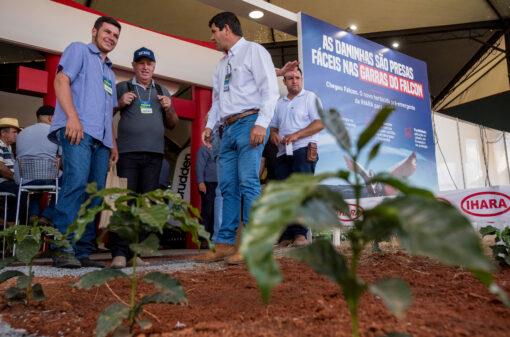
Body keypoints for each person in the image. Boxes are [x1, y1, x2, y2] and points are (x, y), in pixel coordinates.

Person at [196, 12, 280, 264]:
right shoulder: (221, 65)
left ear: (226, 29)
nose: (212, 37)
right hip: (226, 128)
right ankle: (225, 244)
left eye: (213, 31)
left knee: (248, 183)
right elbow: (218, 101)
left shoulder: (254, 51)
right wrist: (210, 125)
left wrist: (262, 124)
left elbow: (270, 90)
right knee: (227, 188)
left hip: (249, 123)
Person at [48, 16, 122, 269]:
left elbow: (108, 112)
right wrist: (72, 118)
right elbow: (61, 81)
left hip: (101, 140)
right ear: (94, 31)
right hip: (77, 131)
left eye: (115, 35)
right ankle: (62, 245)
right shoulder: (78, 49)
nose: (111, 37)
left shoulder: (110, 73)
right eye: (107, 32)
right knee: (75, 184)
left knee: (95, 195)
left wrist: (112, 142)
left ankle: (81, 249)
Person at [109, 47, 178, 268]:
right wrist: (119, 104)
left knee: (144, 204)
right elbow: (104, 114)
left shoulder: (162, 91)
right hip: (128, 154)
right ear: (134, 66)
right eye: (141, 63)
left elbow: (173, 124)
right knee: (125, 202)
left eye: (149, 63)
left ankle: (133, 252)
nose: (145, 67)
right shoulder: (123, 87)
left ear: (154, 66)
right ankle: (119, 253)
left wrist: (168, 109)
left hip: (155, 155)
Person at [269, 67, 324, 247]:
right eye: (290, 78)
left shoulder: (310, 98)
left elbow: (320, 123)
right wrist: (273, 135)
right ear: (283, 81)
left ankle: (300, 234)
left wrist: (297, 135)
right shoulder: (279, 102)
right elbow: (274, 127)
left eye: (298, 77)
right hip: (283, 152)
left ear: (302, 79)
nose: (294, 81)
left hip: (304, 148)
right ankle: (287, 235)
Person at [15, 105, 60, 223]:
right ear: (51, 118)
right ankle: (47, 216)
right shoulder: (55, 132)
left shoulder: (21, 133)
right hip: (47, 177)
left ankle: (33, 215)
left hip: (24, 179)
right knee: (69, 181)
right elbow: (63, 158)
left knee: (35, 185)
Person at [0, 117, 20, 221]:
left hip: (8, 181)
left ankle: (8, 219)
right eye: (14, 132)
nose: (16, 135)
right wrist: (16, 178)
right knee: (22, 190)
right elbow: (1, 168)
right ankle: (11, 221)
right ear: (3, 133)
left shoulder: (9, 147)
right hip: (2, 181)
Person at [195, 145, 218, 240]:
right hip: (208, 184)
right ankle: (203, 238)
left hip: (220, 184)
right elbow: (199, 166)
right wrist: (200, 182)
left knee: (216, 212)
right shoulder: (204, 149)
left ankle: (213, 237)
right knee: (207, 211)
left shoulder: (223, 147)